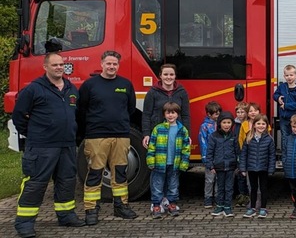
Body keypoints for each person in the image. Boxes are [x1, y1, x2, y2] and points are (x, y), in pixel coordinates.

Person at [12, 52, 85, 238]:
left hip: (66, 145)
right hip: (41, 146)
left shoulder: (71, 88)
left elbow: (77, 115)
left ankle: (66, 215)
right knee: (36, 184)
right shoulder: (33, 89)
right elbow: (19, 115)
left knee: (67, 181)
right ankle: (25, 223)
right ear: (45, 67)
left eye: (61, 64)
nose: (59, 67)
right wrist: (34, 134)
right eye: (55, 65)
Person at [77, 50, 138, 224]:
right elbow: (81, 110)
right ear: (102, 64)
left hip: (121, 136)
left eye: (115, 64)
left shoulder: (126, 84)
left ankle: (121, 206)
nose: (111, 66)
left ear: (118, 65)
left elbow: (130, 109)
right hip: (96, 136)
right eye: (108, 63)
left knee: (120, 173)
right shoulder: (90, 85)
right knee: (95, 172)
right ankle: (91, 209)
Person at [146, 102, 191, 218]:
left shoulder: (182, 130)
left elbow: (186, 148)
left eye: (173, 113)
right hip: (159, 164)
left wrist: (184, 162)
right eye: (168, 113)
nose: (170, 115)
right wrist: (150, 160)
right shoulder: (158, 129)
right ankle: (156, 205)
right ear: (164, 115)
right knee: (157, 185)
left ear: (178, 114)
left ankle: (172, 204)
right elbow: (152, 146)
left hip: (175, 164)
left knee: (173, 185)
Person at [141, 63, 190, 148]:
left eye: (171, 74)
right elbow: (146, 115)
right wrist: (146, 134)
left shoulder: (182, 92)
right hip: (157, 134)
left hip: (177, 133)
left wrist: (187, 134)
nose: (168, 77)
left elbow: (185, 115)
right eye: (165, 74)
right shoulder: (152, 92)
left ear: (175, 76)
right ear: (160, 76)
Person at [239, 114, 276, 218]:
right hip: (251, 168)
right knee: (253, 188)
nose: (261, 126)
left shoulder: (269, 139)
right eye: (258, 123)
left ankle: (263, 208)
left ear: (267, 125)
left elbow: (272, 155)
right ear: (254, 125)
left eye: (263, 124)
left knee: (263, 188)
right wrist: (243, 168)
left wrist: (271, 168)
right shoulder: (248, 138)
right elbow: (243, 154)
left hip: (264, 168)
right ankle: (252, 208)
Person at [205, 111, 239, 217]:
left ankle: (227, 207)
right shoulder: (213, 136)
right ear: (220, 123)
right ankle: (219, 206)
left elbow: (237, 151)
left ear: (232, 124)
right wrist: (210, 165)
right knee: (220, 187)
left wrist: (238, 165)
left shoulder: (234, 136)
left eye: (229, 122)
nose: (226, 125)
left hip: (231, 166)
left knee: (229, 188)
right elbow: (209, 152)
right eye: (224, 122)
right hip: (219, 166)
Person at [273, 64, 296, 155]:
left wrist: (286, 106)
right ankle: (285, 155)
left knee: (295, 135)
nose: (289, 77)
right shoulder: (282, 87)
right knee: (284, 137)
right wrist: (278, 97)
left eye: (291, 75)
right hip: (283, 118)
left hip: (294, 119)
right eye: (287, 75)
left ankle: (295, 154)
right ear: (284, 76)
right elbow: (274, 95)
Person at [235, 102, 260, 207]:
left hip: (259, 156)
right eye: (250, 111)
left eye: (255, 111)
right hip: (248, 156)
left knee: (259, 181)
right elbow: (240, 141)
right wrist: (242, 155)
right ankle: (250, 200)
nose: (253, 113)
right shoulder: (243, 125)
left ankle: (259, 201)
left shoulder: (262, 123)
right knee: (249, 180)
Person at [199, 101, 221, 208]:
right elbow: (203, 142)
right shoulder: (205, 126)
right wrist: (205, 157)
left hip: (219, 156)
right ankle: (208, 198)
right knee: (209, 179)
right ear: (209, 114)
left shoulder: (220, 125)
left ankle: (217, 197)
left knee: (218, 179)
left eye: (218, 113)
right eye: (215, 114)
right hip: (209, 157)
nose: (218, 115)